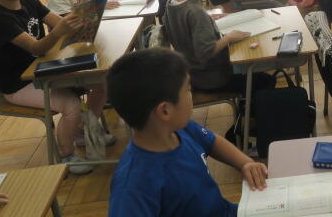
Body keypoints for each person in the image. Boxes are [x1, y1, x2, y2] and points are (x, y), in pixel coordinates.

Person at [0, 0, 113, 175]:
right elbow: (36, 47)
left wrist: (84, 16)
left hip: (43, 70)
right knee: (71, 105)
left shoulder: (28, 1)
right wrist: (60, 31)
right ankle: (66, 156)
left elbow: (58, 23)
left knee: (102, 81)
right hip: (18, 84)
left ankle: (81, 130)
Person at [107, 48, 268, 217]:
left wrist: (244, 163)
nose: (191, 95)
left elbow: (212, 142)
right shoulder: (132, 187)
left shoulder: (181, 129)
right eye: (188, 90)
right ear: (165, 111)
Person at [163, 0, 275, 95]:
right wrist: (228, 38)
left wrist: (208, 19)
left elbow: (184, 28)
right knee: (266, 80)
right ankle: (248, 107)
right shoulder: (195, 12)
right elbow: (205, 52)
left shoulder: (171, 2)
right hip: (213, 78)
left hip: (191, 73)